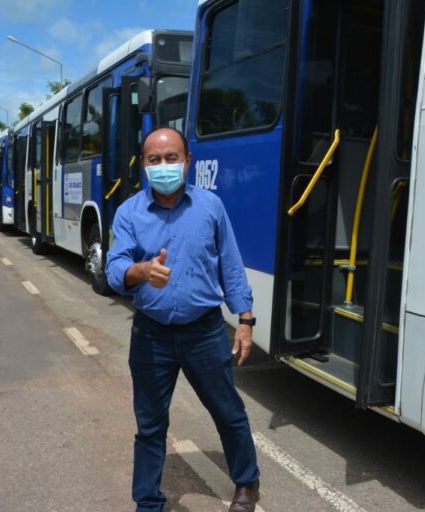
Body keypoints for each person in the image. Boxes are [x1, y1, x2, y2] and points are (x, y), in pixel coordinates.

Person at [106, 128, 260, 512]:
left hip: (204, 333)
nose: (164, 166)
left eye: (172, 158)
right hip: (150, 336)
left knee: (228, 412)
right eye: (154, 160)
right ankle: (148, 501)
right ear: (143, 165)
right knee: (151, 426)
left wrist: (245, 319)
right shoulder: (129, 212)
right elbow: (114, 269)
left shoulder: (210, 207)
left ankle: (246, 482)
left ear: (188, 161)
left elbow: (231, 264)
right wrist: (141, 271)